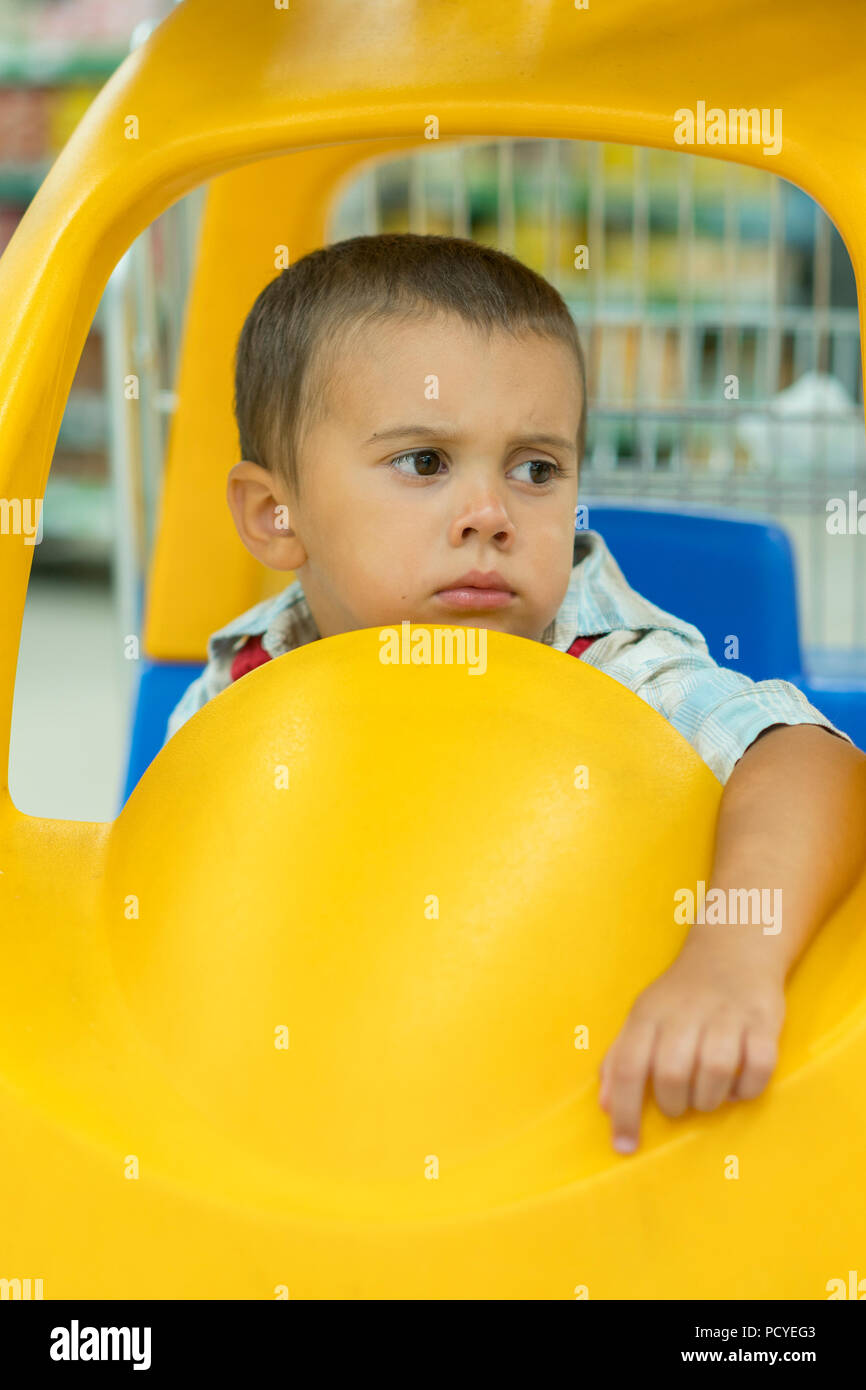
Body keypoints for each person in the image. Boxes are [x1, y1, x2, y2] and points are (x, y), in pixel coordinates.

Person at [164, 233, 866, 1153]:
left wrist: (734, 955)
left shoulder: (607, 663)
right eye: (424, 463)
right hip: (349, 1099)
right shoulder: (242, 685)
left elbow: (808, 759)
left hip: (577, 1088)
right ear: (275, 515)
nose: (490, 516)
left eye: (536, 469)